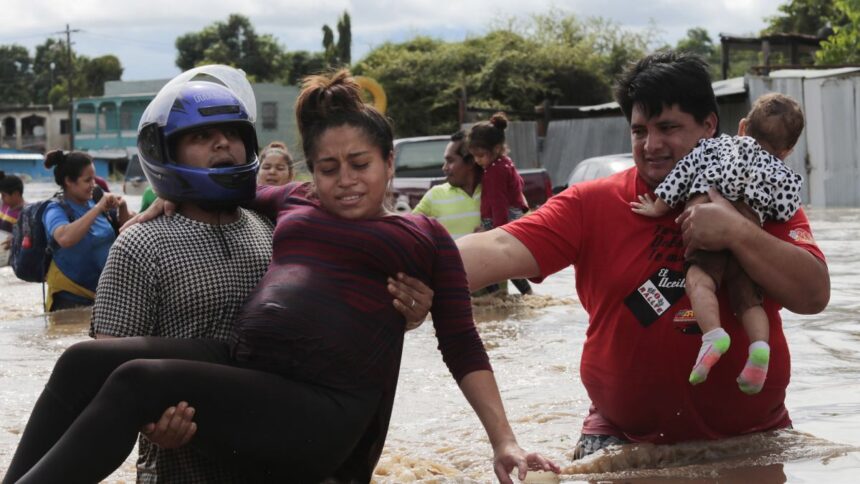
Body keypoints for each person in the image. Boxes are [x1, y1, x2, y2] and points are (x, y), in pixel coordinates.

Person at [3, 70, 558, 484]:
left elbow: (462, 343)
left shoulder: (421, 237)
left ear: (391, 164)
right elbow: (216, 179)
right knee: (83, 359)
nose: (344, 181)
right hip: (250, 375)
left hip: (320, 409)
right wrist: (156, 201)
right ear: (309, 172)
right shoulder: (292, 204)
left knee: (135, 381)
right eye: (327, 168)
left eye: (361, 164)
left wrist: (503, 440)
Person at [456, 51, 829, 459]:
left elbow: (813, 295)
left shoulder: (761, 200)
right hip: (620, 442)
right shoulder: (592, 202)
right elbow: (501, 245)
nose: (651, 145)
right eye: (639, 131)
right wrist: (413, 261)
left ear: (709, 126)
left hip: (755, 438)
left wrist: (738, 232)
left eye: (668, 128)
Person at [90, 64, 433, 483]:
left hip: (284, 462)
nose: (223, 144)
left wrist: (407, 310)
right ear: (167, 154)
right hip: (182, 472)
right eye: (201, 136)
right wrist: (151, 423)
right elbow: (107, 371)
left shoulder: (279, 232)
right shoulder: (140, 245)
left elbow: (341, 326)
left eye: (233, 133)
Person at [630, 92, 805, 395]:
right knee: (749, 302)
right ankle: (760, 348)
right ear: (788, 149)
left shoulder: (715, 146)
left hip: (706, 220)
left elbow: (682, 174)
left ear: (741, 127)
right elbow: (786, 210)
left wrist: (658, 208)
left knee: (699, 281)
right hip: (748, 234)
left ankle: (713, 335)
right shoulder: (785, 175)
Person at [41, 150, 132, 311]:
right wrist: (98, 208)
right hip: (68, 297)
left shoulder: (95, 200)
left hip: (103, 295)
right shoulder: (54, 209)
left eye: (94, 179)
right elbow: (65, 238)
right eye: (87, 180)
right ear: (69, 181)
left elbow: (127, 232)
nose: (93, 185)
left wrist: (122, 206)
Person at [468, 113, 532, 295]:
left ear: (496, 149)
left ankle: (495, 296)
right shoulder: (505, 164)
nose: (477, 161)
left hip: (499, 221)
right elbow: (519, 185)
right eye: (474, 156)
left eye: (480, 155)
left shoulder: (495, 171)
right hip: (508, 218)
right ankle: (526, 293)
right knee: (506, 264)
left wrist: (496, 232)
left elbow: (498, 202)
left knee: (487, 261)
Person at [412, 130, 482, 240]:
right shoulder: (435, 195)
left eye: (450, 161)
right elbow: (409, 230)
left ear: (470, 162)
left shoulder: (495, 191)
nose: (444, 168)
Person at [0, 171, 25, 264]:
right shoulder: (3, 205)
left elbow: (30, 236)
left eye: (4, 195)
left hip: (12, 257)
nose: (1, 198)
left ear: (16, 194)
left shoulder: (26, 212)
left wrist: (16, 239)